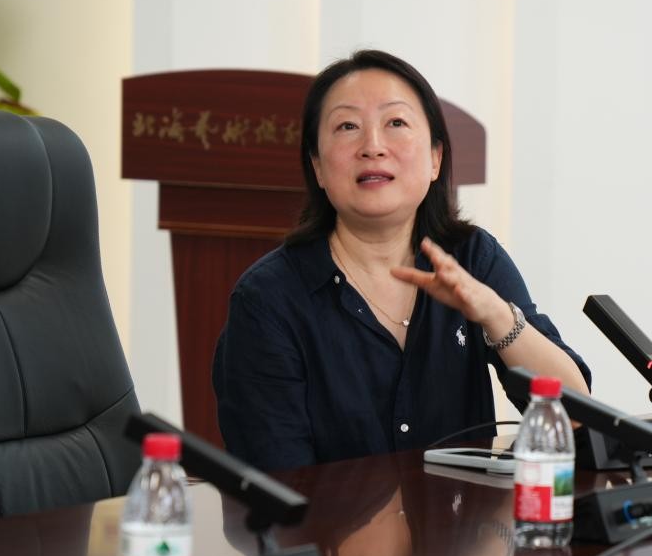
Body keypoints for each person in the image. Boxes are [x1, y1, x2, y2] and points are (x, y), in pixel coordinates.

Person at [212, 49, 592, 471]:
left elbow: (577, 418)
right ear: (317, 167)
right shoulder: (269, 300)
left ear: (435, 159)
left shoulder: (471, 258)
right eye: (347, 126)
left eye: (395, 123)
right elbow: (277, 485)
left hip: (464, 515)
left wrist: (493, 314)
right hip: (329, 519)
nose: (372, 147)